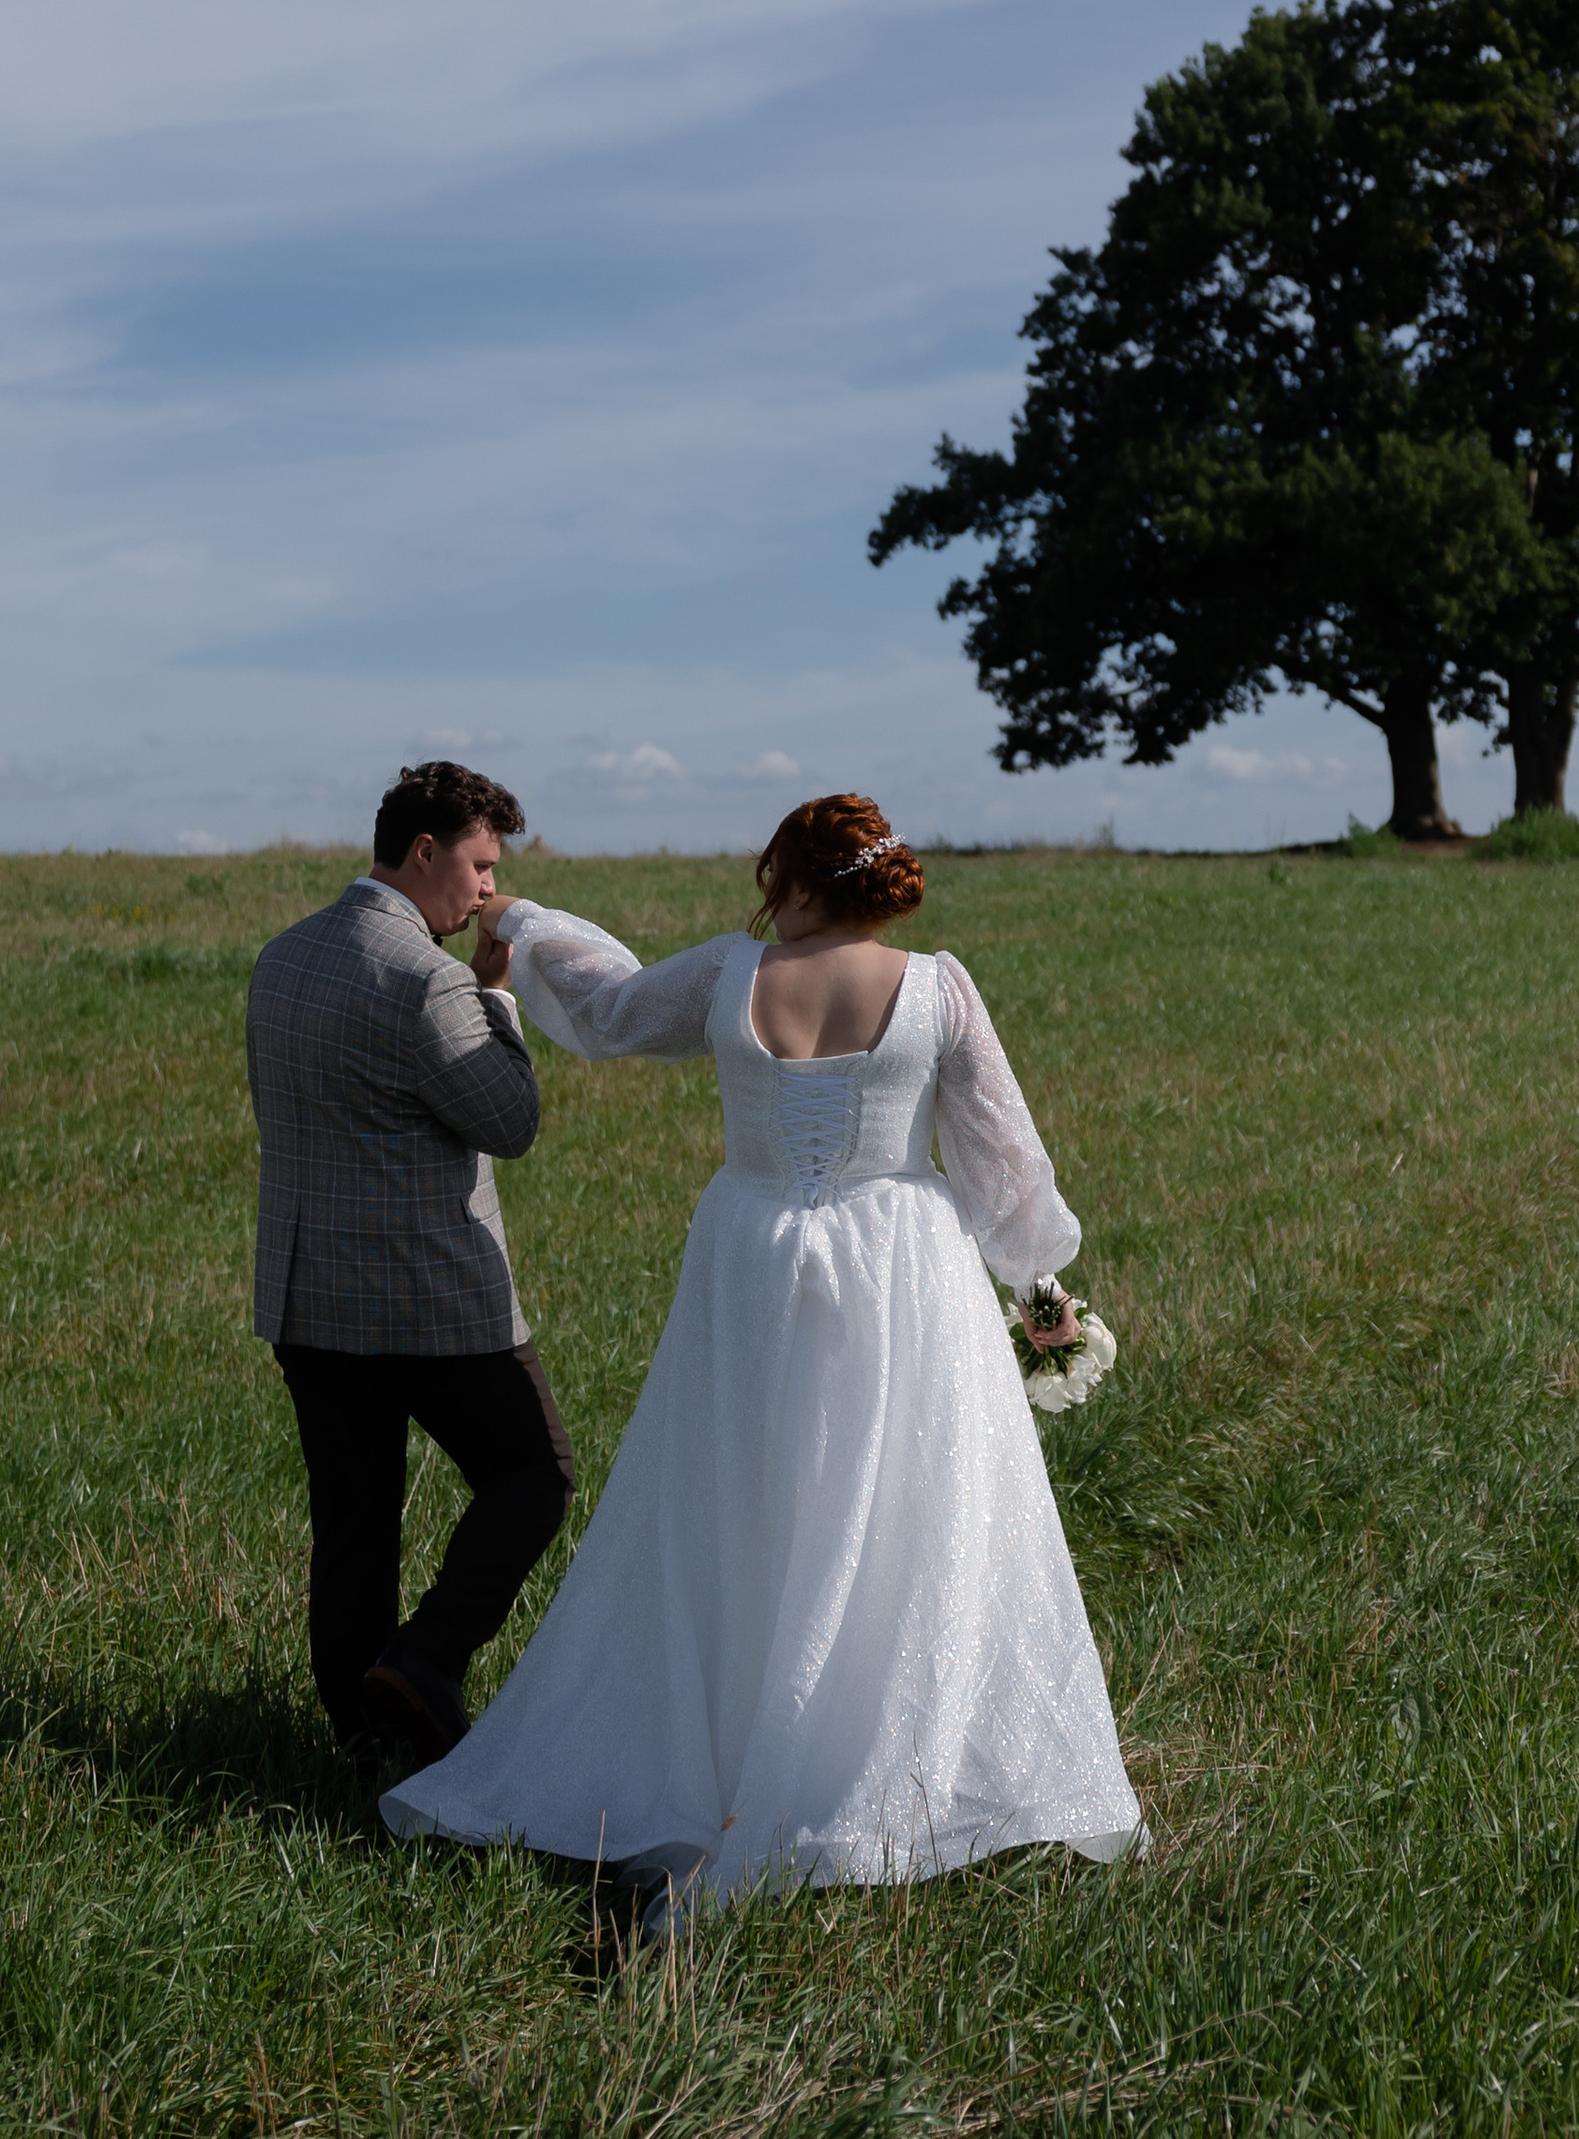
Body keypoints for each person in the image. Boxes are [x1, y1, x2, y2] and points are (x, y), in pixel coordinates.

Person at [381, 791, 1144, 1912]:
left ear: (804, 879)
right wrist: (1038, 1286)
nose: (761, 900)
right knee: (901, 1507)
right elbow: (998, 1153)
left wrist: (527, 925)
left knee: (735, 1500)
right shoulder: (936, 986)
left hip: (752, 1260)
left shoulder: (729, 974)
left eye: (772, 878)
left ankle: (726, 1745)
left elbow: (609, 1008)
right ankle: (869, 1752)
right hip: (904, 1268)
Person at [246, 758, 576, 1772]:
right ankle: (426, 1662)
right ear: (423, 850)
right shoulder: (426, 978)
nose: (487, 890)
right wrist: (496, 1004)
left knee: (352, 1525)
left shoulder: (284, 956)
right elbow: (508, 1121)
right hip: (429, 1296)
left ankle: (367, 1743)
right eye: (479, 866)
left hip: (308, 1293)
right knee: (534, 1477)